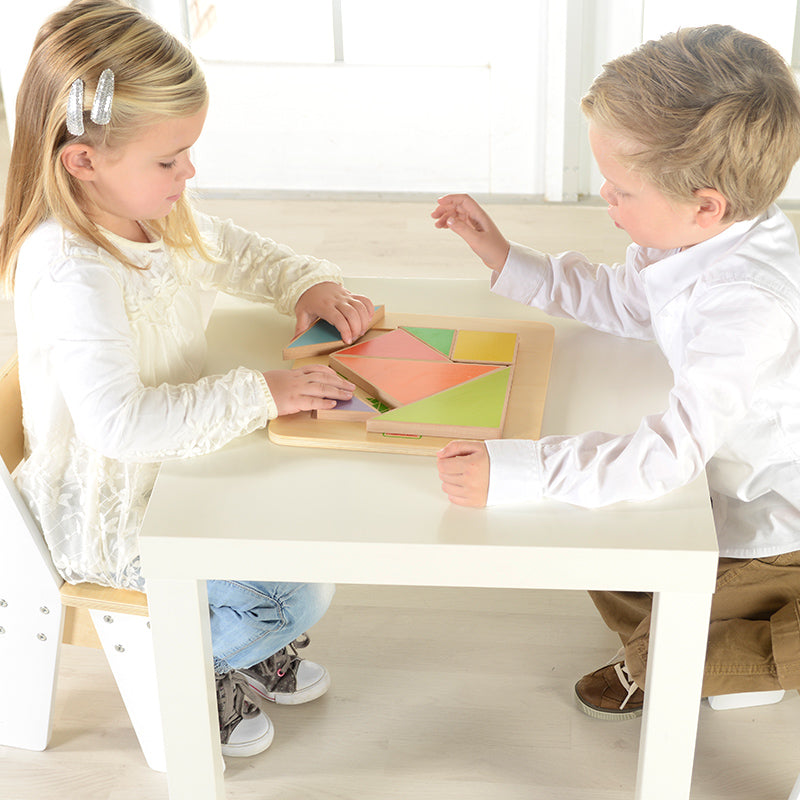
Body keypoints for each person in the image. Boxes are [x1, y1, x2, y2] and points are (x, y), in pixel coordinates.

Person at [1, 0, 375, 756]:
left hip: (178, 465)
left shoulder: (146, 210)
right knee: (298, 592)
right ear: (84, 160)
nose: (190, 172)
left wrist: (303, 284)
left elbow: (229, 248)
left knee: (319, 530)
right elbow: (119, 427)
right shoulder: (70, 269)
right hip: (111, 512)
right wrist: (262, 390)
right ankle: (202, 657)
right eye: (170, 159)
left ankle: (231, 635)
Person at [432, 25, 800, 720]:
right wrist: (510, 260)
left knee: (673, 648)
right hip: (714, 492)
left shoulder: (747, 304)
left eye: (622, 189)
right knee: (599, 549)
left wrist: (522, 470)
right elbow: (629, 303)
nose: (604, 194)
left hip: (773, 533)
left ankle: (734, 663)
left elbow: (666, 454)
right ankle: (691, 640)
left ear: (705, 204)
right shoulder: (696, 239)